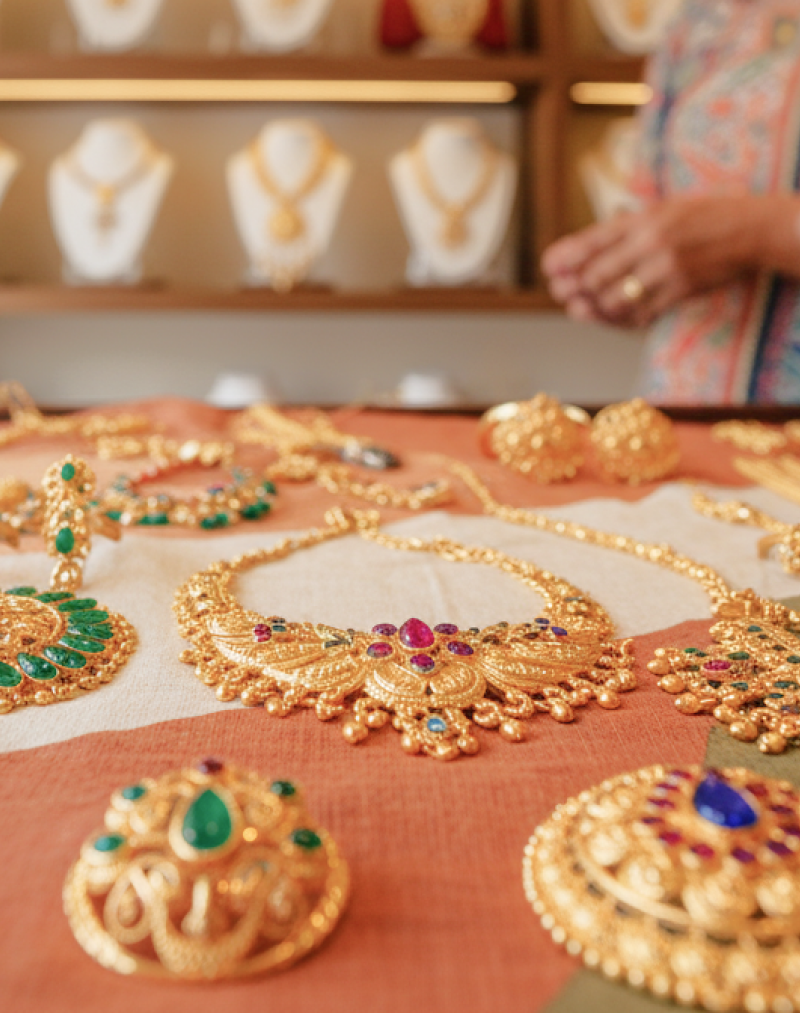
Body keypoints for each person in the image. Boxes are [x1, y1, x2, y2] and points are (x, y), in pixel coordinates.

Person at [543, 1, 800, 405]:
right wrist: (624, 274)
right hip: (686, 415)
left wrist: (754, 231)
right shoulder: (697, 23)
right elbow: (651, 202)